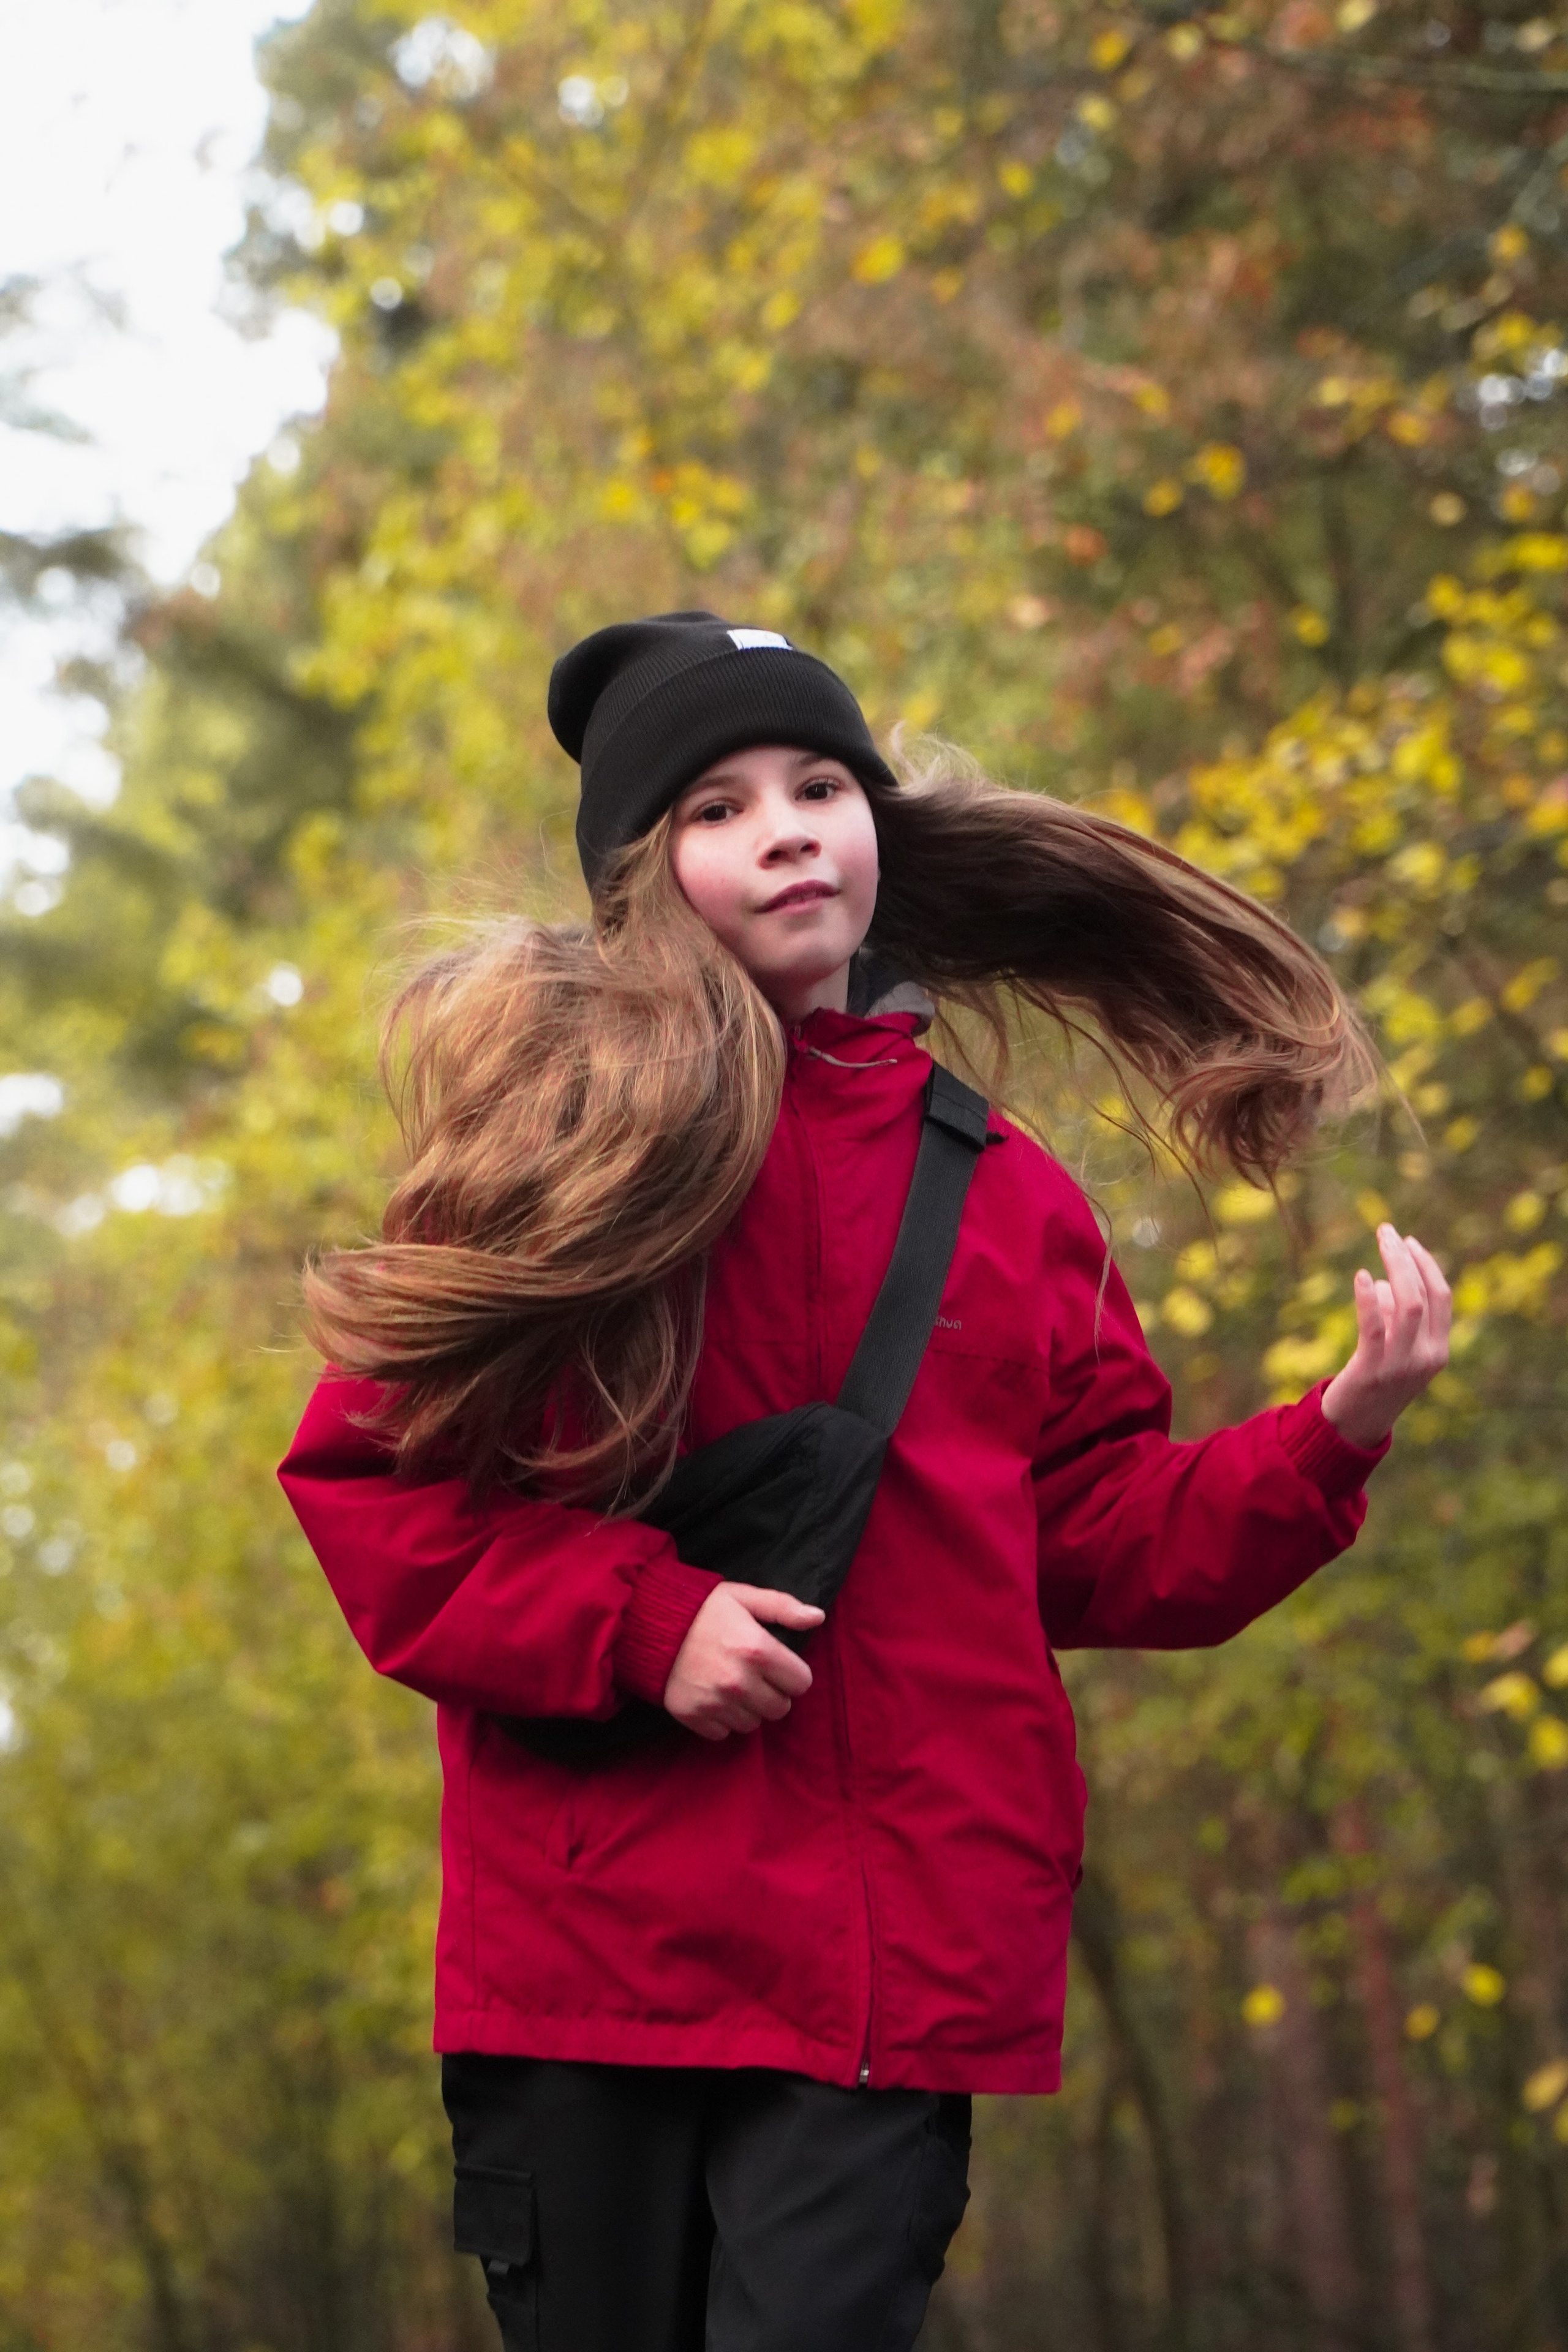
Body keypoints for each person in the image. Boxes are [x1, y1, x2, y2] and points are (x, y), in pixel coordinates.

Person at [277, 611, 1450, 2352]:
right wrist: (641, 1623)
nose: (788, 827)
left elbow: (1094, 1550)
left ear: (876, 828)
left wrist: (1330, 1434)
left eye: (821, 783)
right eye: (719, 806)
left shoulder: (1013, 1197)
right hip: (593, 1969)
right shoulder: (547, 1170)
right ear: (645, 878)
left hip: (888, 1979)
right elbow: (379, 1505)